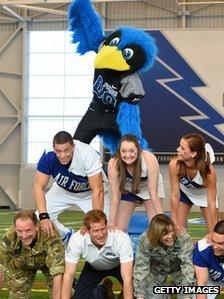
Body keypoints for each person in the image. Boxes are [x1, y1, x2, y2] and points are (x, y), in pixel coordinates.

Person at [33, 130, 110, 242]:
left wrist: (92, 222)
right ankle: (65, 235)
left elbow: (97, 190)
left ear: (73, 146)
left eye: (66, 150)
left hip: (90, 193)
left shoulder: (87, 154)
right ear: (54, 149)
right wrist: (44, 216)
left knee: (103, 227)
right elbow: (38, 187)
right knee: (38, 219)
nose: (63, 155)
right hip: (63, 190)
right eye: (58, 151)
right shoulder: (48, 156)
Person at [61, 209, 134, 299]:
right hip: (93, 266)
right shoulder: (77, 239)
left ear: (107, 225)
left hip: (119, 265)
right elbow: (69, 275)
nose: (100, 234)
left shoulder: (121, 238)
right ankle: (105, 290)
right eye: (96, 231)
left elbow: (127, 279)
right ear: (87, 230)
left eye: (103, 229)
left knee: (136, 294)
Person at [0, 210, 64, 298]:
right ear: (15, 229)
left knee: (65, 292)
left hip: (48, 264)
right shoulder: (9, 238)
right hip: (22, 265)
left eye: (28, 230)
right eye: (20, 231)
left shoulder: (50, 235)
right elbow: (1, 269)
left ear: (37, 227)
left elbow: (57, 272)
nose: (24, 235)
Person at [108, 134, 164, 232]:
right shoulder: (113, 164)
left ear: (138, 150)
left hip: (149, 188)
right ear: (119, 151)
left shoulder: (149, 159)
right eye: (124, 151)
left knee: (156, 227)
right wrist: (111, 222)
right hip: (128, 188)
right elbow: (115, 197)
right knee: (118, 229)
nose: (128, 155)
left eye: (131, 151)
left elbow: (153, 194)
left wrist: (163, 219)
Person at [133, 214, 195, 299]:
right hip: (157, 272)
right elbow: (141, 267)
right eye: (165, 234)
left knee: (191, 294)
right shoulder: (146, 240)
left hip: (179, 270)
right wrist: (140, 295)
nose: (170, 236)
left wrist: (187, 294)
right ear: (156, 234)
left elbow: (187, 266)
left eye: (172, 231)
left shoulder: (183, 238)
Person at [169, 133, 219, 232]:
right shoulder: (174, 165)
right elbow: (175, 195)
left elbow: (212, 203)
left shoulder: (208, 171)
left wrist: (215, 231)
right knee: (177, 230)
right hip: (185, 193)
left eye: (182, 148)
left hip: (204, 196)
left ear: (193, 154)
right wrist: (173, 219)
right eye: (179, 146)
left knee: (213, 231)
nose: (178, 149)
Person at [193, 220, 224, 299]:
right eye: (213, 241)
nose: (215, 247)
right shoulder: (203, 248)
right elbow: (202, 283)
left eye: (220, 243)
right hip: (213, 281)